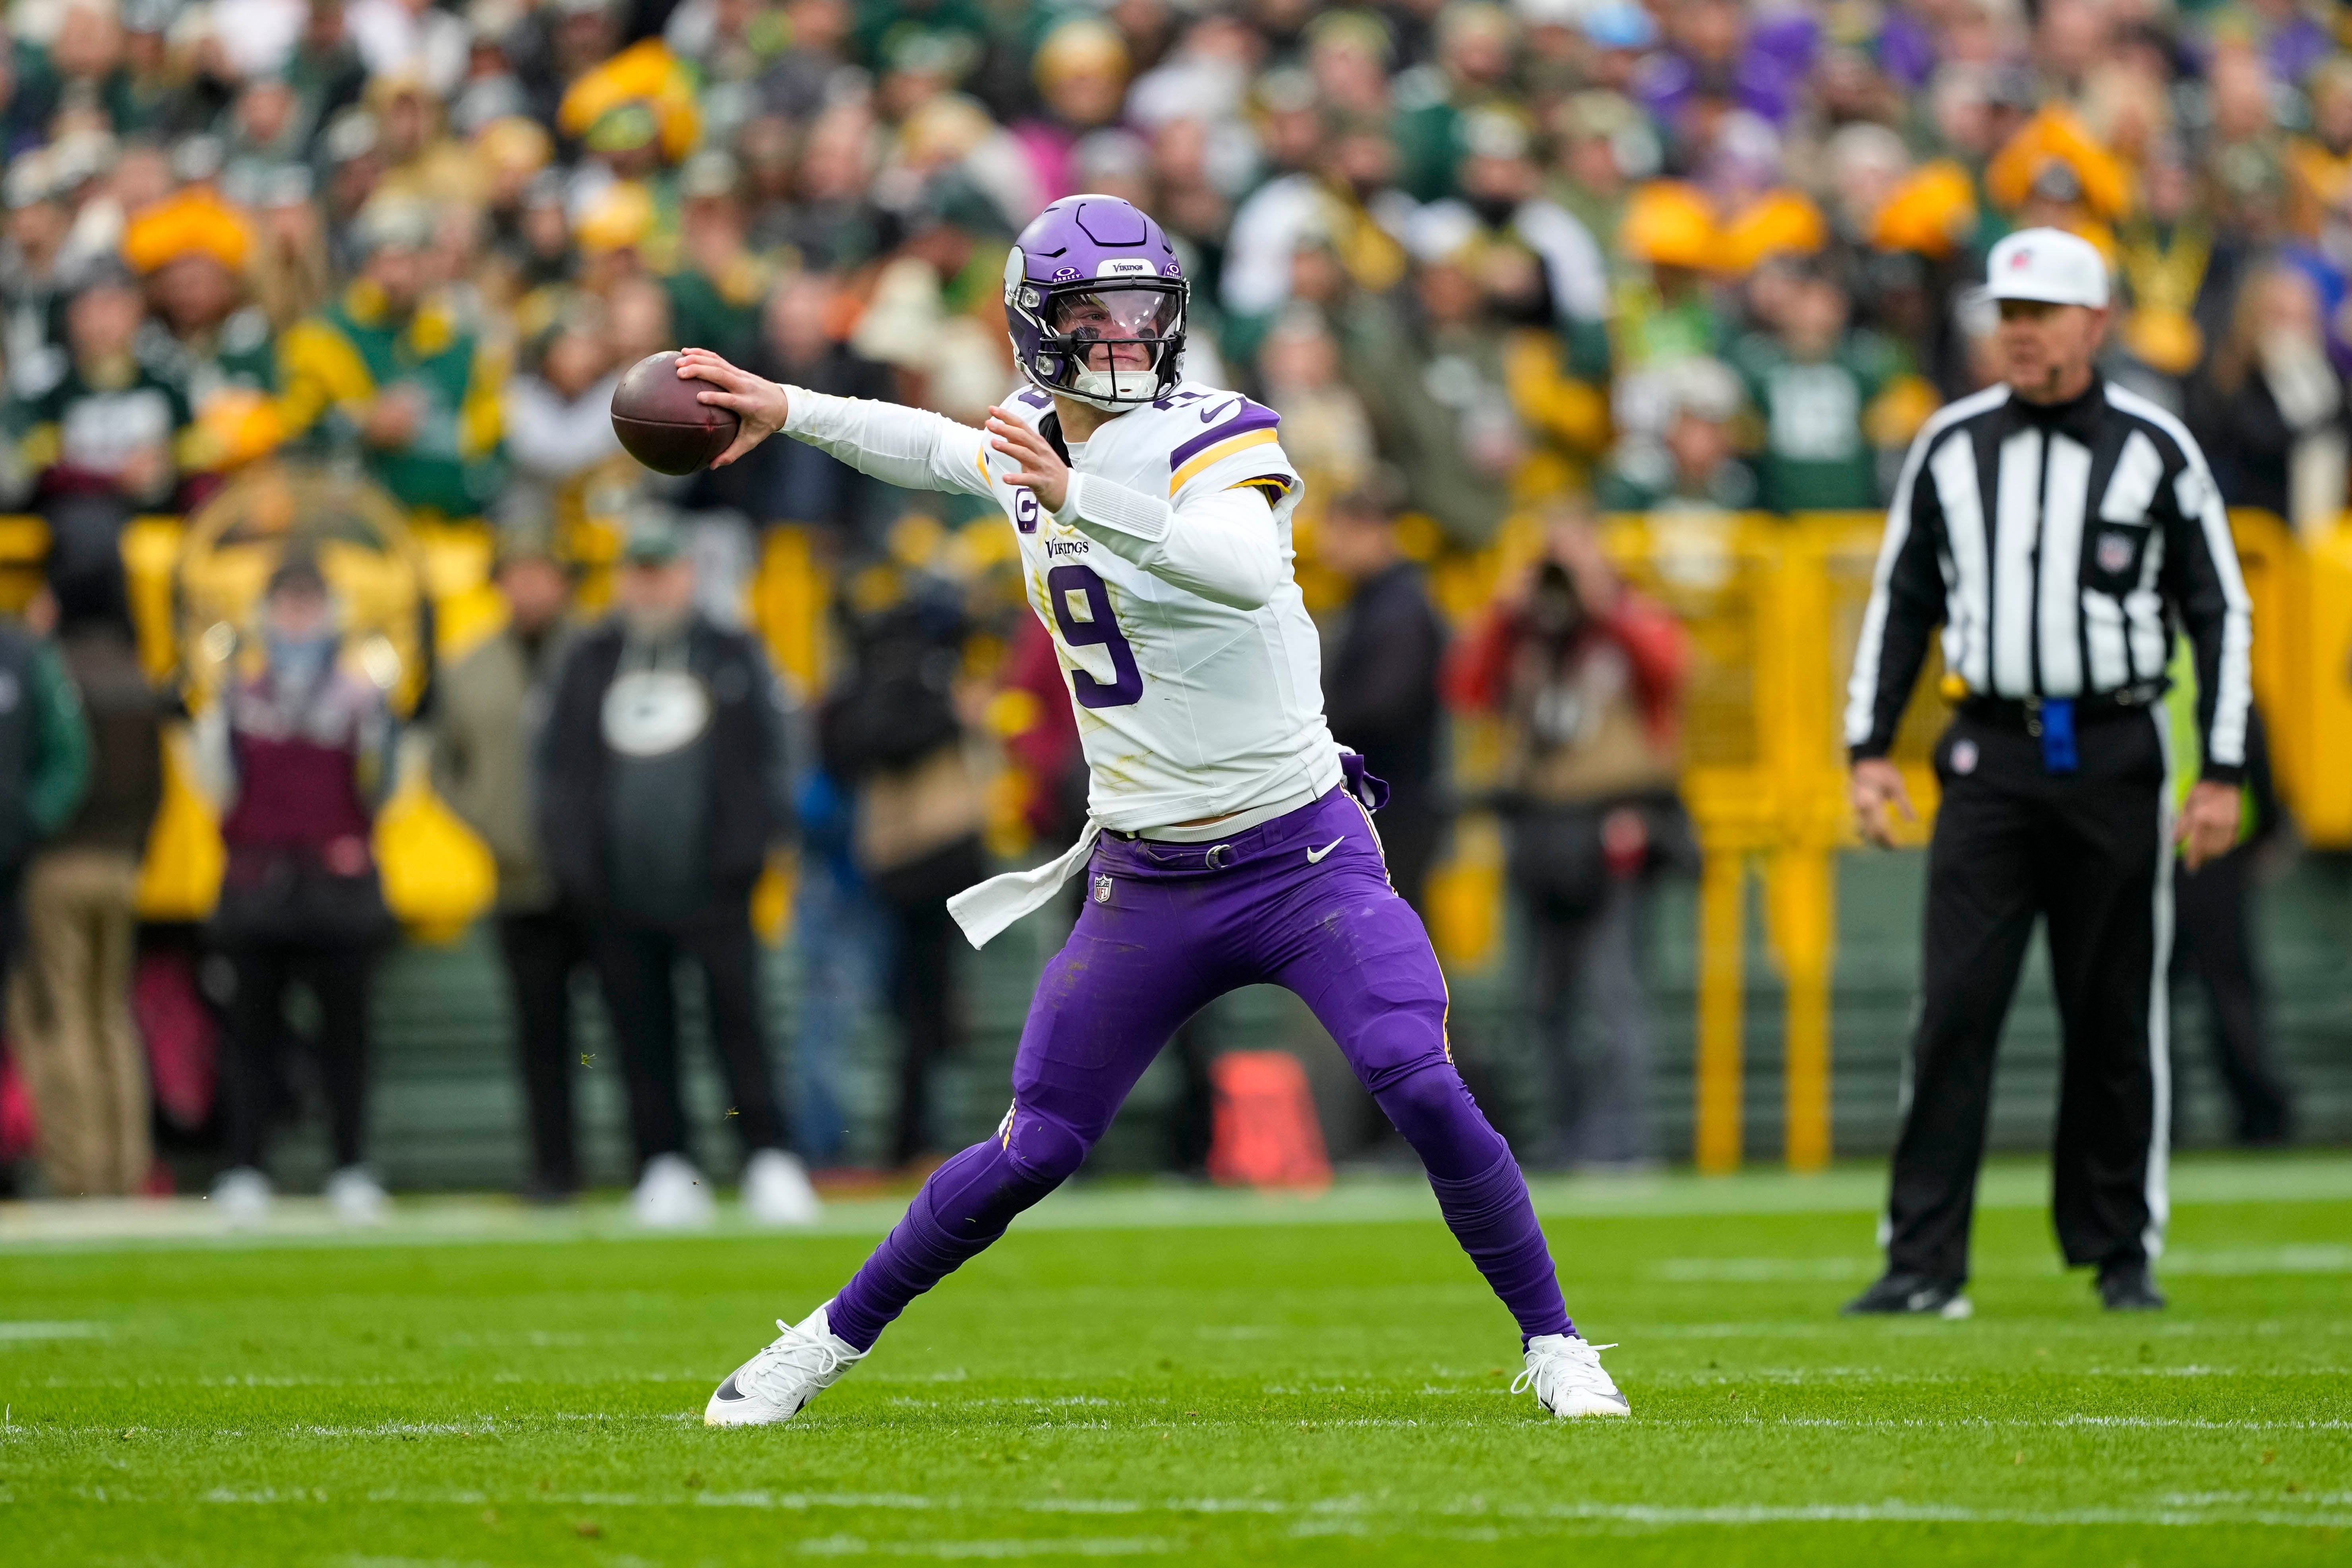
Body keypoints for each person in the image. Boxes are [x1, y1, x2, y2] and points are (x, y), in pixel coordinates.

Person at [677, 193, 1627, 1425]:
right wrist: (789, 406)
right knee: (1035, 1144)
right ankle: (818, 1340)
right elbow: (926, 447)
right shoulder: (1027, 432)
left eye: (1141, 308)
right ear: (1036, 325)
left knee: (1417, 1077)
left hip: (1302, 855)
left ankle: (1556, 1341)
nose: (1123, 334)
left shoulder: (1215, 431)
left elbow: (1235, 570)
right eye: (1092, 311)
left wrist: (1079, 495)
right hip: (1149, 873)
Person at [1843, 228, 2254, 1317]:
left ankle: (2120, 1251)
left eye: (2040, 313)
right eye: (2006, 314)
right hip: (1987, 755)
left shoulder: (2158, 448)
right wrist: (1869, 746)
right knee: (1956, 1007)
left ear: (2095, 322)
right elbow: (1903, 601)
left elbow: (2221, 611)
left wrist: (2221, 766)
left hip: (2119, 753)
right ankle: (1924, 1260)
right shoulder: (1950, 443)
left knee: (2113, 1008)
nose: (2018, 333)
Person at [538, 511, 818, 1230]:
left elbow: (774, 756)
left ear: (690, 574)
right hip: (619, 887)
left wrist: (754, 846)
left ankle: (767, 1154)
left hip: (716, 882)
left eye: (664, 570)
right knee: (639, 1028)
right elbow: (558, 767)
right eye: (640, 570)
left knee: (739, 1020)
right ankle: (662, 1161)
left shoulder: (731, 650)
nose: (653, 584)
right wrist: (576, 860)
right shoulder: (591, 658)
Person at [1445, 507, 1691, 1170]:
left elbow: (1671, 671)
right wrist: (1505, 610)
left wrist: (1604, 601)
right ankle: (1560, 1138)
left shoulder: (1631, 619)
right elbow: (1466, 691)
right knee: (1540, 1000)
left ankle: (1623, 1142)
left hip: (1614, 820)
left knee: (1615, 996)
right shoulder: (1527, 635)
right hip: (1538, 824)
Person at [199, 556, 398, 1228]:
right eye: (287, 605)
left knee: (350, 1039)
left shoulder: (363, 698)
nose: (298, 620)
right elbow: (214, 784)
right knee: (250, 1039)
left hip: (338, 889)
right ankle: (247, 1167)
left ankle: (350, 1166)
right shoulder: (236, 697)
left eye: (309, 605)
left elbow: (386, 786)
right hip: (258, 889)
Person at [431, 533, 586, 1200]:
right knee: (540, 1036)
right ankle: (554, 1167)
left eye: (541, 574)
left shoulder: (597, 653)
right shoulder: (468, 667)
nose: (530, 589)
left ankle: (657, 1164)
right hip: (519, 876)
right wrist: (491, 823)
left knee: (634, 1021)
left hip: (601, 874)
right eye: (517, 576)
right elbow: (445, 767)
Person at [9, 570, 155, 1200]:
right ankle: (126, 1164)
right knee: (110, 1015)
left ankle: (79, 1172)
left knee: (56, 1014)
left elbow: (67, 762)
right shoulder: (134, 671)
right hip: (122, 862)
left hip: (59, 863)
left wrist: (29, 829)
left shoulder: (48, 669)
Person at [1313, 481, 1447, 915]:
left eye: (1339, 531)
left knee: (1393, 934)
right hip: (1382, 802)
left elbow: (1384, 704)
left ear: (1371, 530)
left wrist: (1313, 731)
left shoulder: (1400, 605)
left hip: (1396, 805)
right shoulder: (1374, 600)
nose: (1327, 544)